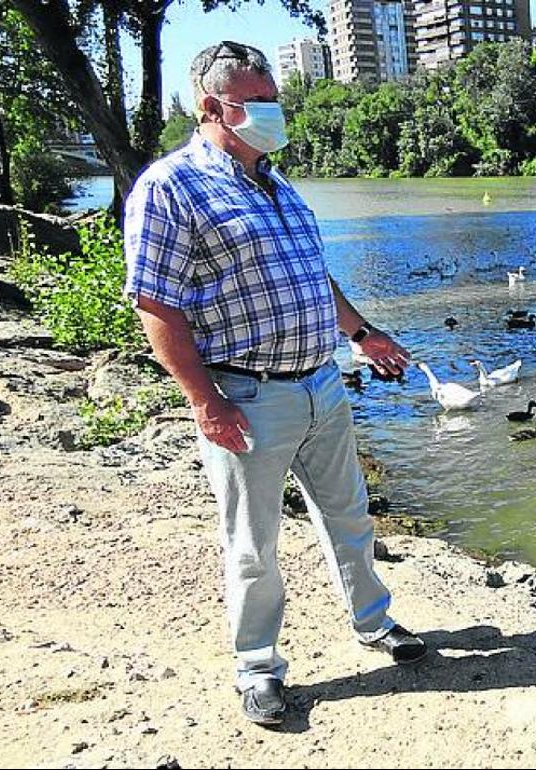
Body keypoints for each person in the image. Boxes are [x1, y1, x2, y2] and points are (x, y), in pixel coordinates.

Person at [121, 41, 424, 727]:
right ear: (211, 106)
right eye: (256, 102)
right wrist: (205, 400)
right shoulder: (171, 188)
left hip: (321, 382)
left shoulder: (277, 181)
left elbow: (310, 277)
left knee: (349, 517)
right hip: (248, 395)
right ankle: (257, 666)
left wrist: (362, 334)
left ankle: (374, 623)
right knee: (254, 544)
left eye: (272, 99)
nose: (271, 112)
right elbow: (154, 304)